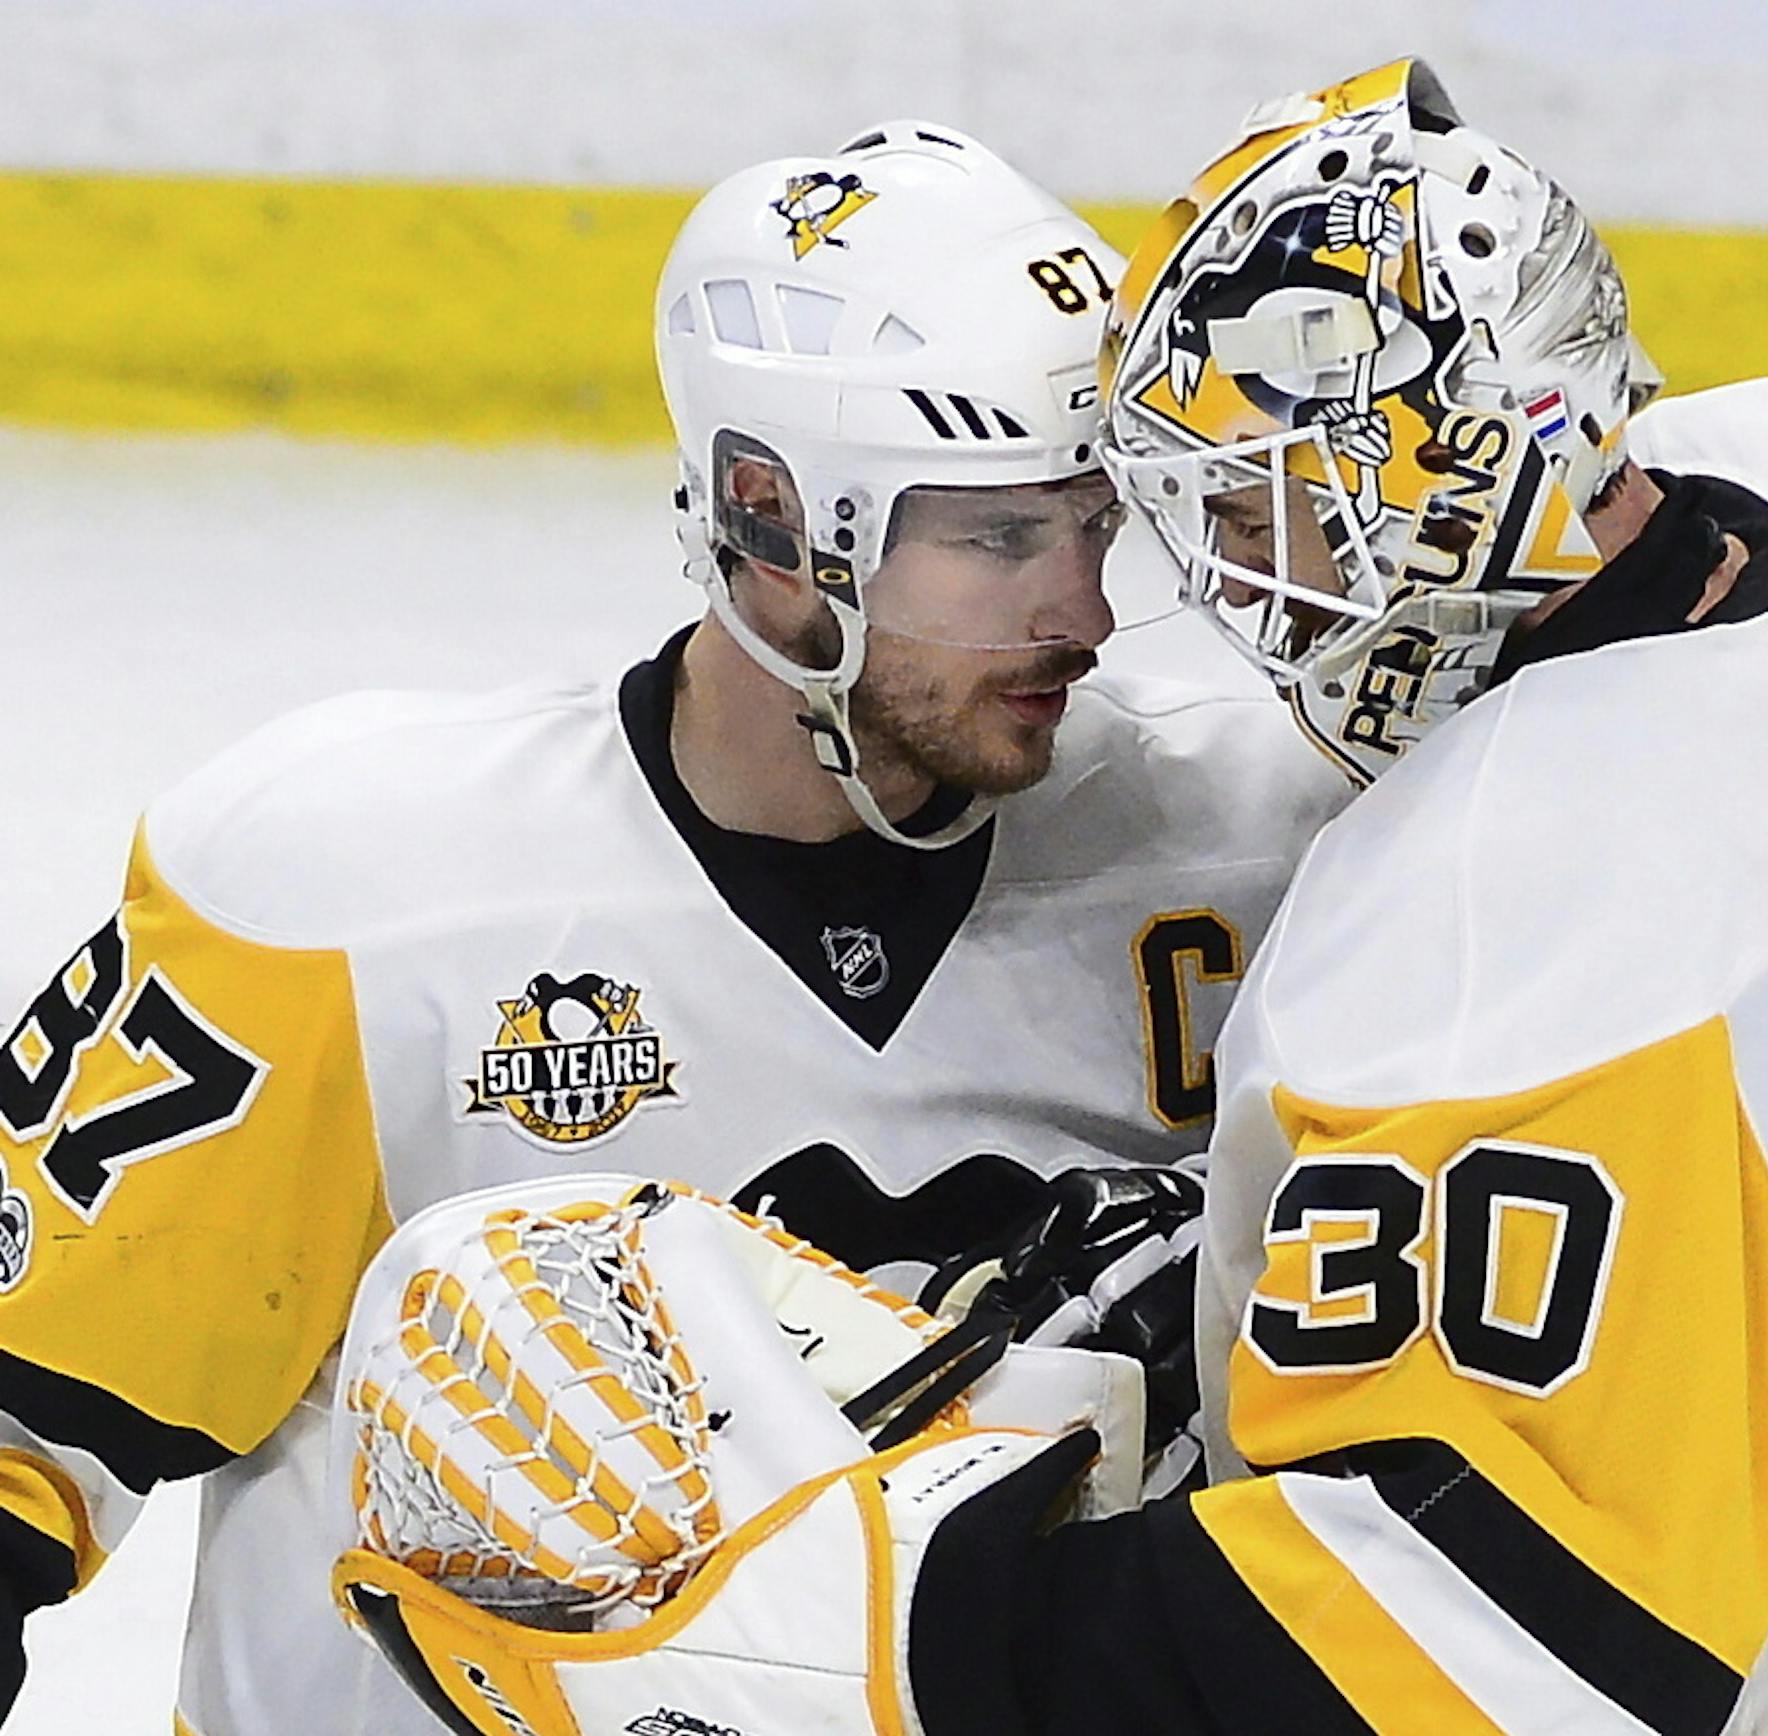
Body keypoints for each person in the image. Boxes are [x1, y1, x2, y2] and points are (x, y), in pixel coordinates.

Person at [338, 58, 1768, 1734]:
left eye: (1264, 516)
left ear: (1437, 491)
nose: (1212, 596)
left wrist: (913, 1628)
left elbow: (1482, 1644)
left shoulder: (1508, 925)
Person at [0, 122, 1345, 1734]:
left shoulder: (1250, 852)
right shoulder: (357, 899)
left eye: (1093, 521)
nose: (1085, 610)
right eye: (997, 537)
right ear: (773, 523)